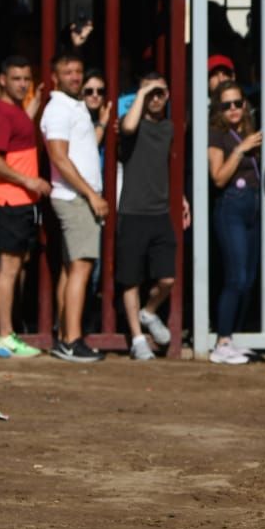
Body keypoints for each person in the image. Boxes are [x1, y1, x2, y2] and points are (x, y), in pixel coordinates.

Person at [42, 51, 109, 363]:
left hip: (76, 196)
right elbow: (58, 157)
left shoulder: (75, 106)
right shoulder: (58, 108)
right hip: (74, 197)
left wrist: (102, 126)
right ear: (55, 76)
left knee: (72, 270)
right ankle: (72, 339)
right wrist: (91, 195)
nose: (75, 77)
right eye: (68, 72)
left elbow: (81, 149)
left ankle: (65, 336)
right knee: (81, 268)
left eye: (78, 71)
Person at [0, 55, 47, 359]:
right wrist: (28, 181)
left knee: (12, 268)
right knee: (8, 270)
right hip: (8, 200)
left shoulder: (15, 112)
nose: (22, 84)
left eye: (26, 79)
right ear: (2, 80)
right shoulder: (3, 114)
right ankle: (5, 336)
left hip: (17, 202)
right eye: (16, 78)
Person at [117, 72, 183, 361]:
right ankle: (136, 338)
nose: (156, 98)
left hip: (160, 213)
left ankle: (149, 311)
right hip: (132, 212)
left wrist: (180, 197)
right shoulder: (132, 125)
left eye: (161, 93)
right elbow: (128, 126)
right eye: (151, 93)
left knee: (167, 278)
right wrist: (142, 93)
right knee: (130, 279)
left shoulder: (169, 127)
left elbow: (169, 168)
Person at [208, 80, 264, 365]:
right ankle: (222, 341)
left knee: (249, 278)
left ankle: (234, 338)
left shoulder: (249, 129)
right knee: (236, 277)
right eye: (226, 104)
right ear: (218, 108)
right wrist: (241, 149)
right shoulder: (218, 134)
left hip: (253, 207)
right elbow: (217, 177)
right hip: (230, 206)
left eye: (237, 103)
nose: (233, 109)